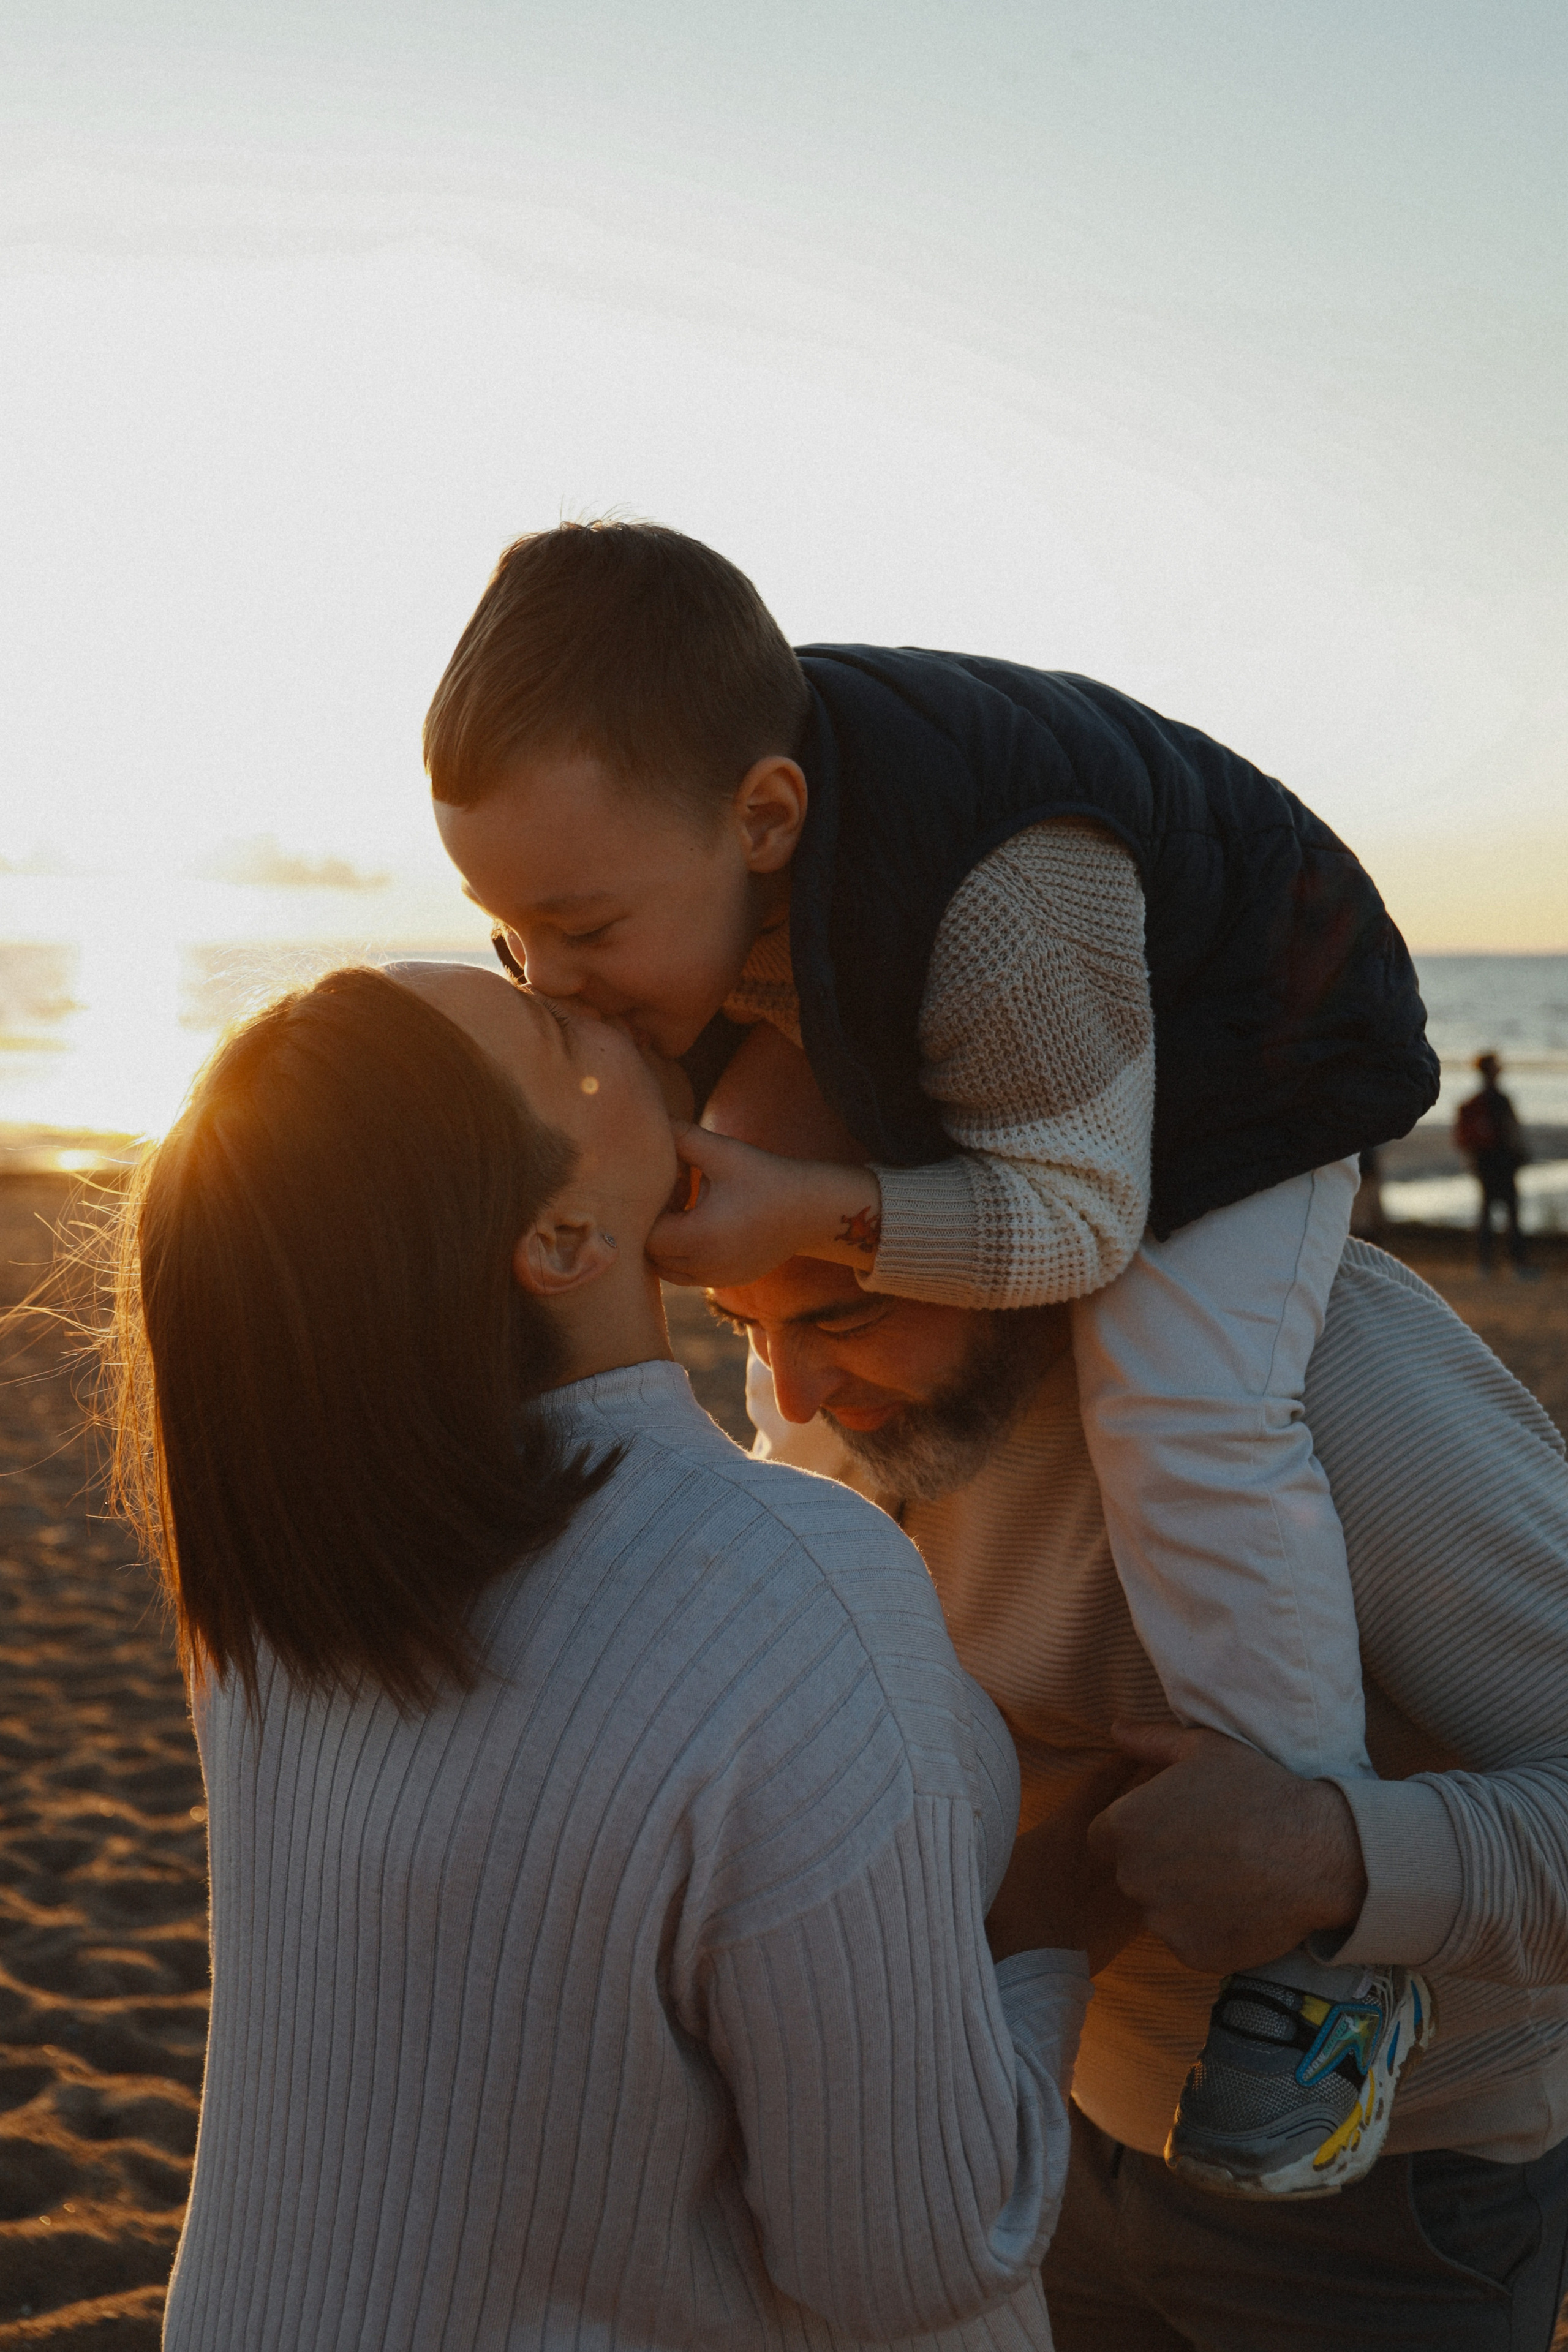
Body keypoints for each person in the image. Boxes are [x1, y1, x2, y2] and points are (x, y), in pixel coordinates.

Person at [422, 519, 1441, 2192]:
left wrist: (820, 1207)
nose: (552, 978)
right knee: (792, 1405)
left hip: (1245, 1060)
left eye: (583, 928)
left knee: (1183, 1408)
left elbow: (1080, 1220)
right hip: (1047, 1075)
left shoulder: (997, 898)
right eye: (507, 929)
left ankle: (1317, 1946)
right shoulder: (699, 872)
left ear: (762, 817)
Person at [110, 963, 1100, 2352]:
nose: (601, 1003)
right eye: (563, 1031)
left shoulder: (290, 1570)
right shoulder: (780, 1581)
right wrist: (1053, 1925)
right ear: (565, 1234)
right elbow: (916, 2253)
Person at [704, 1027, 1568, 2350]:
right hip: (1054, 2135)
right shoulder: (833, 1418)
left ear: (1012, 1226)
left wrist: (1333, 1854)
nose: (797, 1385)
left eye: (845, 1310)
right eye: (745, 1325)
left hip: (1385, 2208)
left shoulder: (1337, 1384)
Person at [1455, 1050, 1535, 1277]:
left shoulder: (1476, 1101)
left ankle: (1487, 1263)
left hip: (1485, 1162)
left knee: (1487, 1212)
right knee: (1510, 1212)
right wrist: (1520, 1155)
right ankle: (1517, 1264)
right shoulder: (1498, 1100)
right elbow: (1511, 1133)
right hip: (1501, 1162)